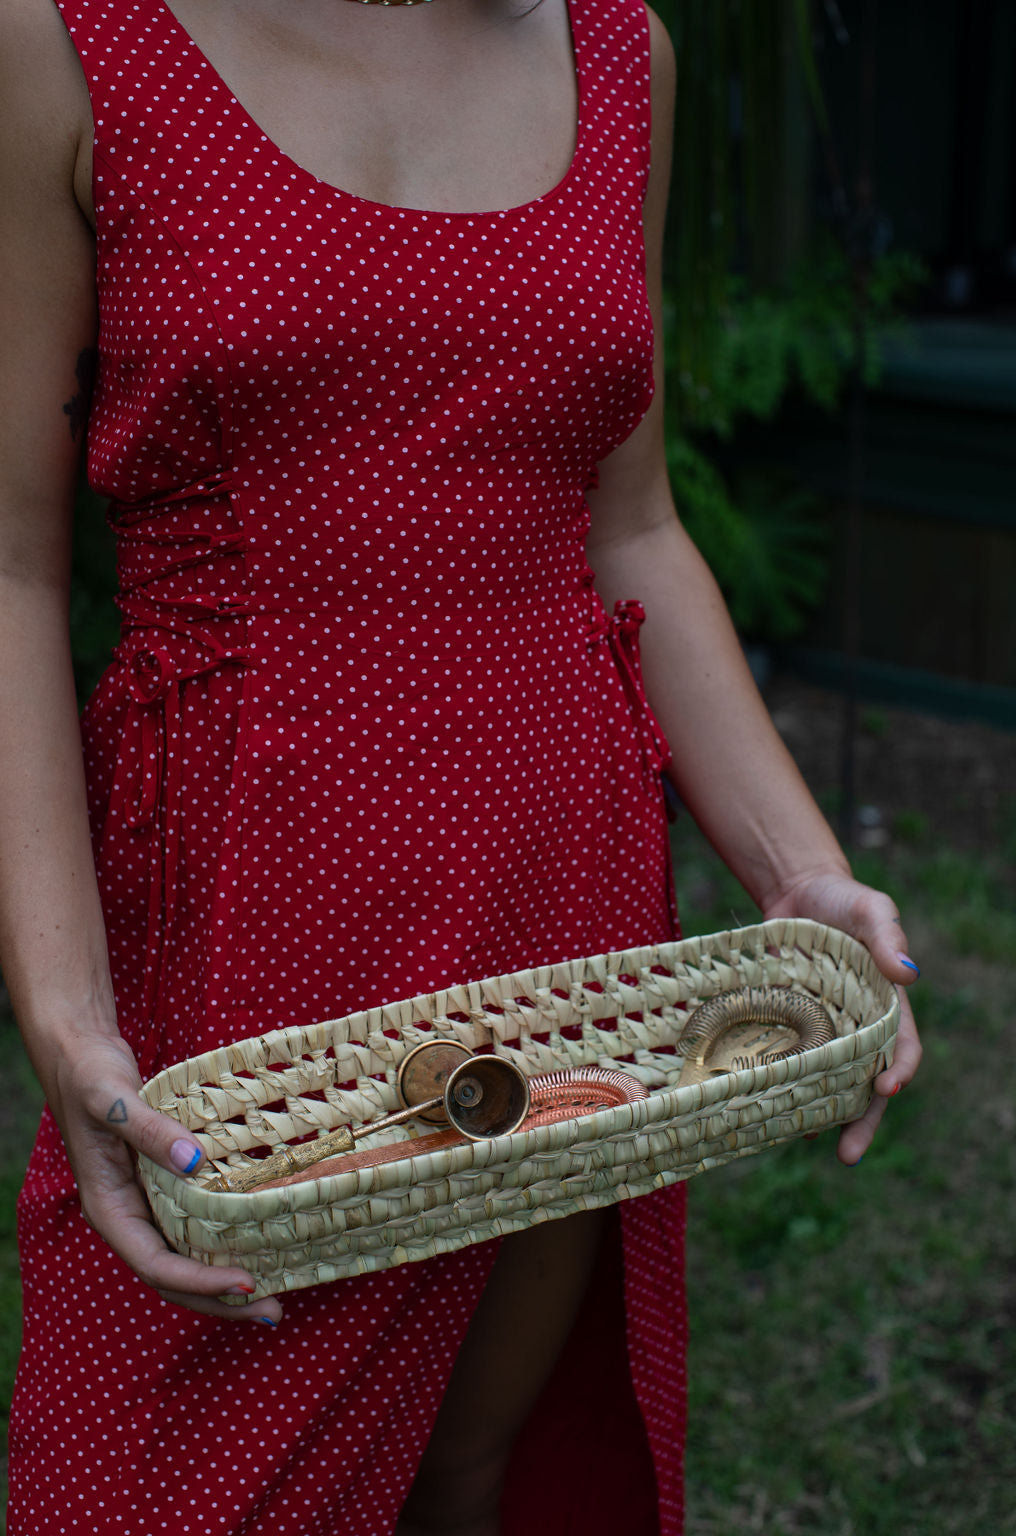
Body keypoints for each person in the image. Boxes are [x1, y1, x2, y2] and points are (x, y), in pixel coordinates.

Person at [0, 0, 921, 1530]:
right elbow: (14, 565)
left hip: (566, 927)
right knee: (159, 1485)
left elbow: (630, 523)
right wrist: (63, 1012)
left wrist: (800, 869)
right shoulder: (67, 40)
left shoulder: (615, 49)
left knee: (471, 1468)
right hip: (246, 926)